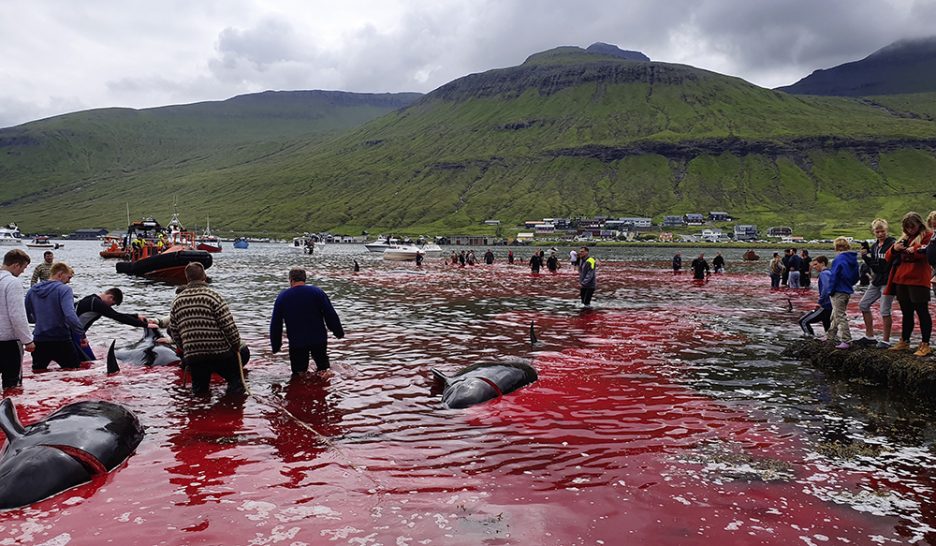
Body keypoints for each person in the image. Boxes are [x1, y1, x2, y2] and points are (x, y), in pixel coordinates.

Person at [169, 262, 245, 395]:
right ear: (204, 276)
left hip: (194, 356)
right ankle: (231, 409)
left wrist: (186, 348)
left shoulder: (177, 301)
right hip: (219, 352)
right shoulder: (213, 296)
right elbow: (228, 325)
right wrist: (236, 345)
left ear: (187, 278)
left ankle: (201, 412)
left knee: (199, 391)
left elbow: (174, 331)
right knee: (236, 382)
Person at [270, 267, 344, 374]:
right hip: (319, 340)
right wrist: (338, 332)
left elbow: (276, 324)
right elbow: (330, 314)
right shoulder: (317, 292)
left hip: (297, 342)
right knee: (324, 371)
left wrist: (276, 345)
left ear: (291, 280)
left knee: (299, 374)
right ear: (304, 279)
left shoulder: (283, 297)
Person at [885, 212, 933, 356]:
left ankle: (925, 344)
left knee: (922, 311)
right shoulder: (904, 238)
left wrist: (916, 249)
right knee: (906, 312)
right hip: (901, 279)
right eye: (907, 227)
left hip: (918, 279)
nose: (910, 230)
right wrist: (894, 249)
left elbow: (929, 253)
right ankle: (904, 341)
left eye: (912, 227)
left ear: (919, 224)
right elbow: (888, 256)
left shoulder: (928, 236)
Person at [25, 262, 87, 370]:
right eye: (68, 277)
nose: (69, 281)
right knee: (73, 373)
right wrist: (81, 335)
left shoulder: (32, 291)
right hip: (61, 339)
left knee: (39, 373)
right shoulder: (64, 289)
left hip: (39, 340)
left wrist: (39, 320)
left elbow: (26, 315)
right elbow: (70, 315)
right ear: (60, 274)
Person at [74, 287, 148, 359]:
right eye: (112, 304)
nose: (110, 306)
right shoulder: (97, 304)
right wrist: (146, 325)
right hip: (74, 335)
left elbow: (116, 314)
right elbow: (117, 317)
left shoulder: (92, 299)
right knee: (88, 362)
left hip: (74, 333)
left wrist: (136, 316)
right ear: (110, 297)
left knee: (86, 362)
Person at [856, 219, 896, 348]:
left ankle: (886, 340)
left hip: (888, 280)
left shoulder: (892, 244)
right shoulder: (874, 247)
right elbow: (874, 265)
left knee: (885, 310)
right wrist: (866, 257)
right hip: (877, 280)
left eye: (882, 231)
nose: (880, 234)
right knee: (863, 304)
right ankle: (870, 335)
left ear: (887, 230)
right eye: (877, 232)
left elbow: (885, 265)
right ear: (874, 232)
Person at [0, 249, 35, 388]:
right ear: (16, 265)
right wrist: (27, 340)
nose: (23, 272)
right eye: (23, 268)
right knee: (11, 385)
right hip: (8, 341)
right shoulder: (12, 282)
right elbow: (17, 315)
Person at [827, 238, 860, 350]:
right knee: (835, 313)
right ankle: (830, 335)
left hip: (838, 290)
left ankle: (846, 339)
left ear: (837, 247)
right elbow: (856, 276)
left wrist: (830, 290)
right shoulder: (853, 259)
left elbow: (834, 276)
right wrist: (849, 284)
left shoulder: (838, 259)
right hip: (847, 290)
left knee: (839, 315)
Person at [799, 256, 833, 337]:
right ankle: (830, 340)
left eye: (816, 264)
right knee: (827, 326)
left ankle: (810, 338)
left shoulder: (823, 274)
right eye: (813, 265)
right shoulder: (830, 272)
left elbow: (826, 289)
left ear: (823, 263)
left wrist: (820, 302)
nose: (814, 267)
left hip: (825, 305)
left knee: (803, 321)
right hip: (831, 305)